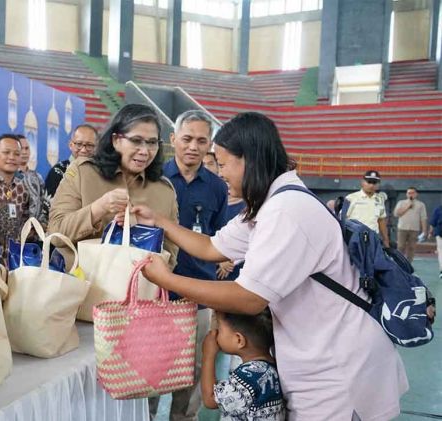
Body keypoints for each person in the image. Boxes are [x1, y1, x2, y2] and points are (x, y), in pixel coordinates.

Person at [125, 112, 408, 419]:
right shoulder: (269, 204)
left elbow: (249, 297)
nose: (220, 172)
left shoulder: (287, 211)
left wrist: (167, 280)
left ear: (248, 160)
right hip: (317, 357)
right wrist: (159, 222)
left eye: (222, 162)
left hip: (339, 368)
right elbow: (211, 246)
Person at [156, 110, 226, 421]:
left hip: (198, 292)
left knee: (193, 366)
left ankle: (184, 418)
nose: (193, 146)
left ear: (209, 144)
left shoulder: (217, 187)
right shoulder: (153, 178)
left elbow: (220, 238)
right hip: (155, 291)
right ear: (173, 140)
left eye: (201, 140)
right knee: (153, 364)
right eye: (187, 139)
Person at [48, 103, 179, 269]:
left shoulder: (164, 190)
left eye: (152, 142)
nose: (145, 151)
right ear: (116, 140)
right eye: (136, 141)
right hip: (81, 288)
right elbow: (55, 234)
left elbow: (170, 255)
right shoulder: (83, 173)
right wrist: (98, 208)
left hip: (138, 291)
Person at [201, 310, 285, 421]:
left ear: (239, 340)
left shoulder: (248, 376)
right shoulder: (272, 366)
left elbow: (210, 399)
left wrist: (208, 355)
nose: (215, 333)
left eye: (219, 329)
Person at [44, 124, 98, 197]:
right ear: (70, 145)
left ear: (96, 147)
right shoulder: (58, 171)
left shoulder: (101, 172)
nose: (83, 150)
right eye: (79, 144)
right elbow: (50, 206)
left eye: (89, 145)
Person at [344, 170, 391, 247]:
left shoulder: (379, 199)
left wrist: (386, 239)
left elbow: (381, 220)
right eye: (369, 182)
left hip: (373, 238)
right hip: (355, 237)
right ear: (362, 182)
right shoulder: (351, 198)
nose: (371, 185)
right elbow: (343, 219)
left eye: (374, 183)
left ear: (378, 184)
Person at [16, 134, 50, 227]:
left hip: (37, 233)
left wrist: (41, 225)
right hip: (16, 234)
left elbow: (44, 203)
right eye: (21, 148)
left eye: (27, 148)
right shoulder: (10, 177)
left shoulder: (37, 177)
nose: (24, 152)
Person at [393, 187, 428, 263]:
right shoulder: (401, 203)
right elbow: (396, 214)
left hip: (414, 229)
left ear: (416, 194)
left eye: (412, 193)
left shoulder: (421, 204)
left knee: (412, 247)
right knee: (400, 246)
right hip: (402, 228)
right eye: (409, 193)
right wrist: (407, 206)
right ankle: (399, 262)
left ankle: (409, 264)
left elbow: (423, 218)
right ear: (406, 194)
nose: (410, 194)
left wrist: (424, 230)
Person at [216, 195, 246, 280]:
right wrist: (219, 260)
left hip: (238, 270)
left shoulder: (249, 208)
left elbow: (251, 240)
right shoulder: (214, 204)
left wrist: (230, 261)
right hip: (212, 267)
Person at [428, 204, 442, 279]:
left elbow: (433, 223)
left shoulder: (438, 208)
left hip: (440, 232)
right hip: (440, 232)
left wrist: (430, 233)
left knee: (440, 252)